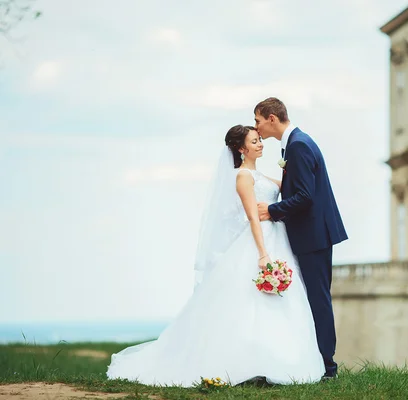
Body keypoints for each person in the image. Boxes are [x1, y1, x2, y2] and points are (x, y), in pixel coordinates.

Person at [106, 125, 325, 386]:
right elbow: (253, 218)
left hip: (279, 238)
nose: (260, 144)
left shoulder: (260, 175)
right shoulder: (243, 176)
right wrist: (263, 254)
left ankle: (276, 362)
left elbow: (290, 189)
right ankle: (251, 365)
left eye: (259, 140)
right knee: (250, 304)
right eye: (254, 142)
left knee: (279, 303)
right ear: (242, 149)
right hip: (261, 242)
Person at [254, 97, 348, 379]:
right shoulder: (296, 143)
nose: (256, 127)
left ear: (272, 118)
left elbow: (305, 197)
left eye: (258, 120)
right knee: (314, 297)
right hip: (312, 233)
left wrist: (272, 210)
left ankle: (328, 367)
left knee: (318, 299)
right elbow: (300, 188)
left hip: (313, 235)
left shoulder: (298, 146)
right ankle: (319, 362)